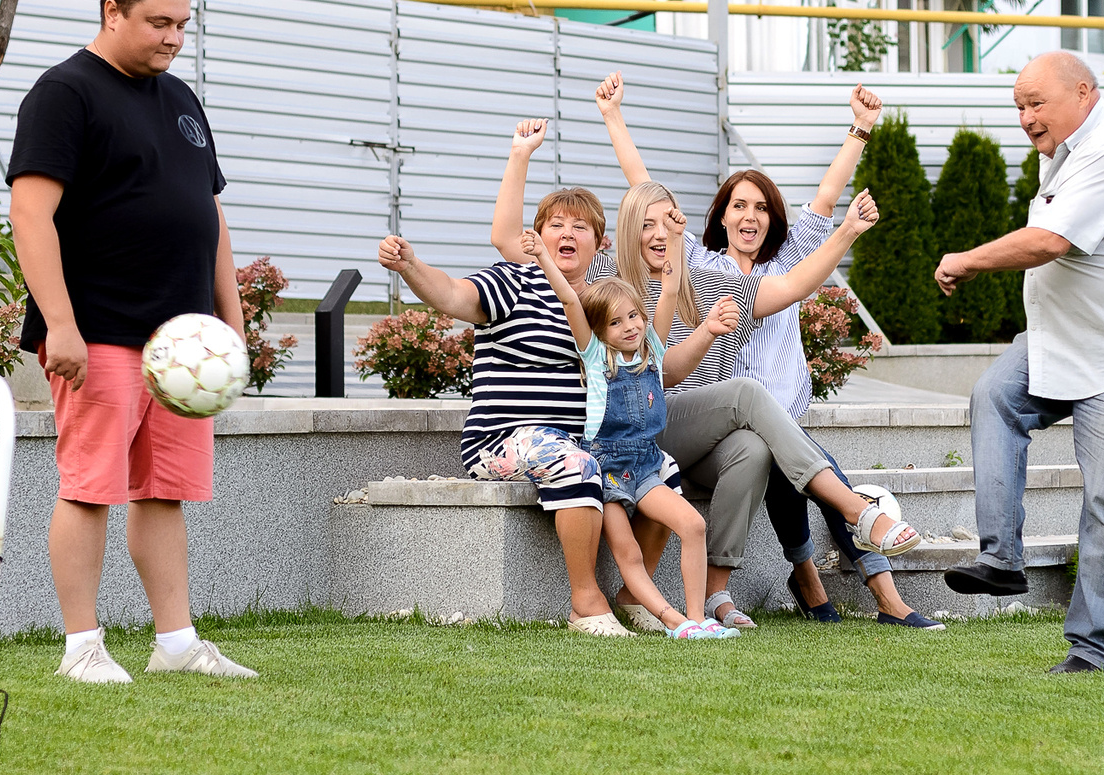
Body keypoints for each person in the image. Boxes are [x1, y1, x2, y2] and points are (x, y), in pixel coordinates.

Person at [596, 73, 939, 628]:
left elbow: (811, 247)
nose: (750, 216)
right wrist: (614, 118)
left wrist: (859, 136)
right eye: (738, 206)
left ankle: (717, 594)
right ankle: (855, 519)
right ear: (717, 217)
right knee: (762, 414)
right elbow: (645, 194)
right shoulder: (686, 264)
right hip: (672, 417)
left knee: (757, 450)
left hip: (747, 429)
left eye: (760, 207)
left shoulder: (744, 276)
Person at [8, 0, 257, 685]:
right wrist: (61, 324)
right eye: (158, 22)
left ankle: (175, 643)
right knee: (91, 486)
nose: (174, 36)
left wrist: (230, 320)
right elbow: (30, 213)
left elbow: (208, 212)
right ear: (112, 12)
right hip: (100, 330)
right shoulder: (64, 93)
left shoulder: (180, 99)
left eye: (182, 23)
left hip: (181, 342)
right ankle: (81, 647)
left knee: (164, 490)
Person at [932, 51, 1104, 674]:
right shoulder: (1063, 156)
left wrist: (968, 259)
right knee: (995, 395)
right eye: (1018, 107)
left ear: (1083, 92)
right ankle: (1001, 561)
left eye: (1035, 104)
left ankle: (1093, 648)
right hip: (1062, 343)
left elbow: (1053, 241)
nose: (1025, 119)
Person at [374, 122, 621, 630]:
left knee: (659, 468)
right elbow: (449, 294)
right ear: (536, 236)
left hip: (578, 437)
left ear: (600, 243)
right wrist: (411, 266)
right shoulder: (511, 280)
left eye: (580, 227)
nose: (567, 234)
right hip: (502, 442)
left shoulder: (604, 302)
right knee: (574, 464)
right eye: (556, 225)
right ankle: (586, 602)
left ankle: (634, 595)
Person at [520, 224, 741, 639]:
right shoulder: (595, 354)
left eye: (635, 315)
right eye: (616, 322)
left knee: (693, 525)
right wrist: (542, 257)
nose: (630, 326)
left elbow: (671, 289)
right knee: (630, 555)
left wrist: (675, 238)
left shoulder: (651, 349)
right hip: (605, 466)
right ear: (599, 331)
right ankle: (674, 621)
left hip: (645, 464)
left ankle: (698, 619)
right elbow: (570, 298)